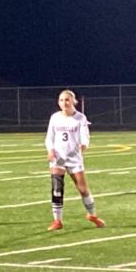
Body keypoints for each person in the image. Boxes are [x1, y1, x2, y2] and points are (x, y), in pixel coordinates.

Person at [46, 89, 106, 231]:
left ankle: (92, 215)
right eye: (61, 100)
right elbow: (49, 137)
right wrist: (50, 150)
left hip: (73, 158)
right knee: (57, 188)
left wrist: (83, 145)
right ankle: (57, 221)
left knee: (83, 189)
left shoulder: (80, 118)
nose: (64, 103)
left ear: (73, 101)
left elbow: (85, 136)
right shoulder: (55, 117)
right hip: (58, 157)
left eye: (67, 99)